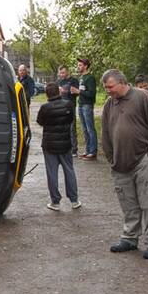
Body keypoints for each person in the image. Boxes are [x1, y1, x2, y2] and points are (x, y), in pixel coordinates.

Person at [101, 69, 148, 260]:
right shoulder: (109, 103)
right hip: (120, 164)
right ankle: (129, 238)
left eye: (110, 87)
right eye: (105, 88)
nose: (108, 91)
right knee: (128, 204)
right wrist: (110, 157)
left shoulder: (144, 97)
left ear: (122, 82)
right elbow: (105, 132)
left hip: (143, 161)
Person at [36, 83, 81, 211]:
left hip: (49, 144)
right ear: (59, 92)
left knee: (52, 173)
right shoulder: (68, 104)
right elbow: (71, 119)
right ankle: (74, 200)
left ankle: (55, 201)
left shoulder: (45, 108)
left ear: (47, 94)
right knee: (69, 170)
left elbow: (40, 122)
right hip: (65, 143)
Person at [76, 58, 98, 159]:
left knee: (90, 129)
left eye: (80, 65)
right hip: (80, 105)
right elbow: (82, 91)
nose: (78, 66)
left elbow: (92, 93)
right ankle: (88, 150)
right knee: (84, 129)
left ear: (85, 66)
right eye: (78, 65)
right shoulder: (82, 77)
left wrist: (79, 92)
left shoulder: (90, 78)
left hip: (87, 105)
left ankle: (93, 152)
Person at [57, 65, 80, 156]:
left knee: (71, 128)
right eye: (60, 73)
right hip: (60, 106)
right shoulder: (58, 81)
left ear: (67, 72)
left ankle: (74, 149)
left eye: (63, 72)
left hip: (70, 106)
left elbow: (76, 92)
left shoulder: (74, 81)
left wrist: (65, 91)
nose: (61, 74)